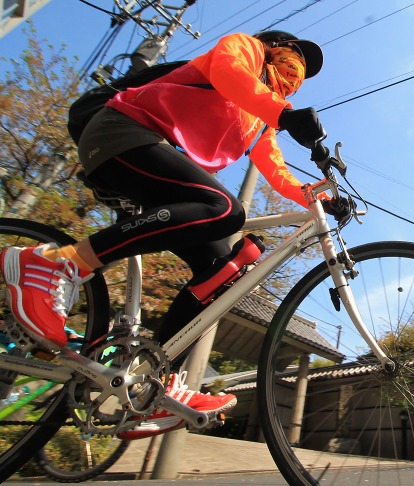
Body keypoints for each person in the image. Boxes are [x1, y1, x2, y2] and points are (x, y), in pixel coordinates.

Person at [0, 30, 326, 440]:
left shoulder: (263, 114)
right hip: (123, 131)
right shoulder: (246, 50)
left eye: (304, 69)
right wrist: (283, 112)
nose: (296, 66)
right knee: (222, 209)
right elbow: (229, 73)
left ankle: (154, 382)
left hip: (153, 150)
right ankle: (56, 263)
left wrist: (318, 196)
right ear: (275, 45)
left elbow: (274, 167)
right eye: (293, 52)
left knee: (223, 270)